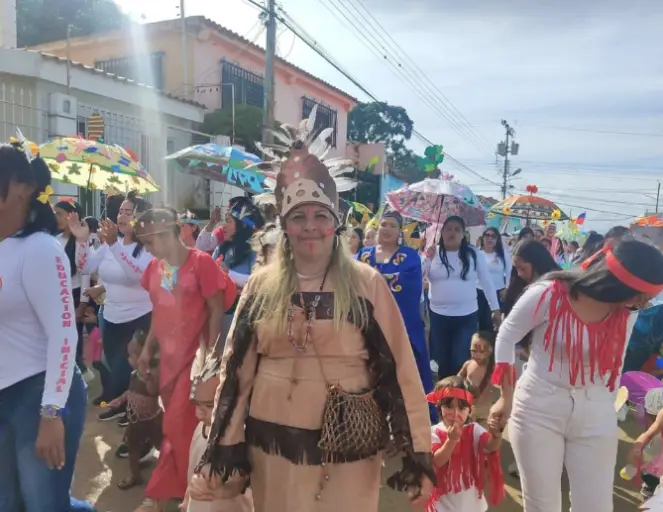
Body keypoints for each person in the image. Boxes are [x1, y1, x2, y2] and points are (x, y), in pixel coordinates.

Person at [190, 129, 435, 512]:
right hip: (272, 450)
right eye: (298, 217)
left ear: (335, 224)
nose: (309, 226)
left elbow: (402, 371)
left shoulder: (366, 284)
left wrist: (418, 454)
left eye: (320, 216)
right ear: (283, 226)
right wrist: (224, 446)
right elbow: (236, 373)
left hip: (349, 445)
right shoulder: (259, 286)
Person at [489, 240, 663, 511]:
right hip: (538, 407)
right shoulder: (549, 293)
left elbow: (615, 363)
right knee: (542, 504)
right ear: (618, 281)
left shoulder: (628, 311)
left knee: (595, 506)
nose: (646, 302)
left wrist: (606, 407)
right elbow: (506, 336)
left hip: (594, 410)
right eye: (643, 294)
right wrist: (505, 397)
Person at [0, 141, 94, 511]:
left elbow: (63, 332)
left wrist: (52, 411)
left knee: (44, 505)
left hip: (40, 395)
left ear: (22, 190)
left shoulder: (40, 249)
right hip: (4, 394)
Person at [134, 208, 234, 511]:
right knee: (181, 427)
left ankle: (157, 494)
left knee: (177, 423)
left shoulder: (201, 263)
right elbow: (160, 311)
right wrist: (147, 349)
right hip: (168, 361)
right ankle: (187, 488)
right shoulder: (160, 268)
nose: (148, 250)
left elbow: (217, 309)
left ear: (167, 234)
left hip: (195, 360)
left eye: (150, 242)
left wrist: (212, 360)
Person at [70, 191, 154, 422]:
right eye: (120, 211)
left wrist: (114, 245)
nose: (122, 216)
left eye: (129, 212)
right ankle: (122, 407)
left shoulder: (147, 247)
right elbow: (85, 266)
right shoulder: (109, 246)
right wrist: (81, 240)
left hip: (139, 317)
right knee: (116, 370)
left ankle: (137, 415)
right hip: (111, 317)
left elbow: (134, 277)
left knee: (129, 370)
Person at [358, 209, 435, 421]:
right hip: (367, 324)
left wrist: (376, 283)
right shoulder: (363, 255)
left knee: (404, 373)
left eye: (392, 225)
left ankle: (411, 419)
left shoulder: (410, 257)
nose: (387, 229)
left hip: (401, 324)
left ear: (400, 230)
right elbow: (354, 285)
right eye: (384, 224)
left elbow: (410, 290)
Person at [428, 215, 501, 379]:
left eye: (457, 229)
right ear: (441, 232)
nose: (452, 233)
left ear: (463, 234)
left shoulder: (473, 254)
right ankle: (445, 398)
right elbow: (419, 276)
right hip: (439, 316)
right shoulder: (433, 253)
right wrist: (427, 258)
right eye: (448, 229)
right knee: (443, 360)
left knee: (460, 359)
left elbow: (487, 282)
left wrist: (495, 308)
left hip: (466, 316)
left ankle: (459, 398)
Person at [183, 347, 254, 512]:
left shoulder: (237, 438)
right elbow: (193, 470)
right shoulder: (200, 430)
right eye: (196, 405)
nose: (199, 412)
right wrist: (187, 500)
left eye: (209, 406)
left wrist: (220, 492)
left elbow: (240, 481)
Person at [426, 376, 504, 512]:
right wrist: (451, 441)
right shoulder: (434, 432)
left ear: (471, 410)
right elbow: (437, 461)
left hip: (473, 505)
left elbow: (490, 447)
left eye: (461, 408)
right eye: (449, 406)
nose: (455, 413)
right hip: (442, 505)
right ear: (439, 406)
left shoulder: (474, 429)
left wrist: (496, 435)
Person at [107, 330, 161, 491]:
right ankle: (135, 475)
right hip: (135, 421)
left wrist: (149, 378)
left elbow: (153, 392)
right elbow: (130, 392)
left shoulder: (154, 373)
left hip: (153, 420)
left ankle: (168, 474)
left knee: (162, 446)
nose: (128, 358)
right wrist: (119, 400)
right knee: (133, 448)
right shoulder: (134, 374)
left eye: (131, 355)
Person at [210, 197, 264, 344]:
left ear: (241, 225)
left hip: (244, 321)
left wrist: (229, 274)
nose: (224, 226)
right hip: (217, 318)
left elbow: (260, 282)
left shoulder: (255, 251)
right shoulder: (221, 248)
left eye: (228, 221)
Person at [54, 199, 93, 379]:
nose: (56, 218)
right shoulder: (54, 239)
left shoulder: (81, 241)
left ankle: (78, 374)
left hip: (74, 296)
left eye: (59, 214)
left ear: (71, 216)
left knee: (72, 339)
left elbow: (85, 272)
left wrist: (83, 304)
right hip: (55, 297)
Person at [458, 331, 496, 426]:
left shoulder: (494, 369)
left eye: (482, 351)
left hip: (484, 415)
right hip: (467, 411)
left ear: (490, 350)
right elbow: (457, 379)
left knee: (482, 437)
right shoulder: (468, 364)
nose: (477, 354)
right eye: (474, 351)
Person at [478, 227, 511, 331]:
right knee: (480, 323)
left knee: (493, 323)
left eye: (493, 236)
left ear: (497, 239)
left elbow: (509, 272)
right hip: (479, 292)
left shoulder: (502, 254)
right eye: (487, 235)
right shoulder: (477, 254)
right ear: (482, 238)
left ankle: (491, 345)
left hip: (497, 292)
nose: (490, 238)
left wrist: (506, 288)